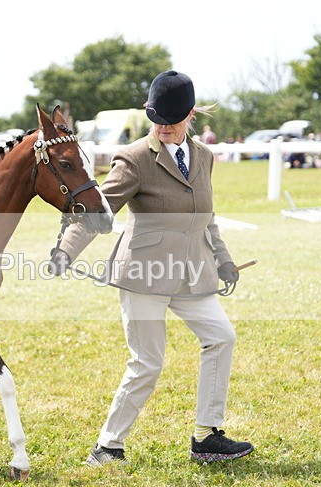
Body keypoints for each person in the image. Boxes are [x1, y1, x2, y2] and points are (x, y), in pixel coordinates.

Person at [51, 70, 254, 466]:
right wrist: (66, 250)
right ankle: (108, 447)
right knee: (148, 363)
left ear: (190, 115)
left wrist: (225, 260)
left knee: (221, 337)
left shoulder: (205, 157)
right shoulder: (134, 159)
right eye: (156, 118)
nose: (163, 127)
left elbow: (207, 218)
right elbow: (100, 210)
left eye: (171, 120)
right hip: (143, 275)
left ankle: (206, 436)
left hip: (190, 273)